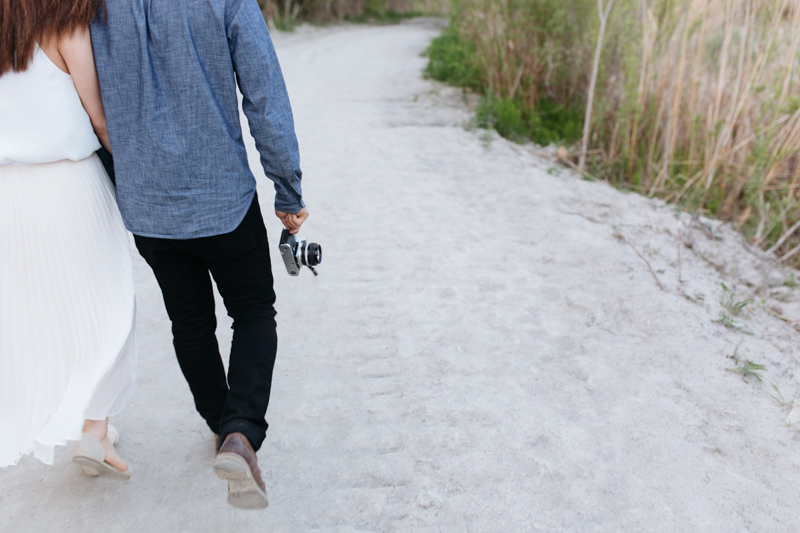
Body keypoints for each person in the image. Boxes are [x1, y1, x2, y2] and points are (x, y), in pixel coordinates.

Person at [91, 0, 309, 508]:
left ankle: (221, 423)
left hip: (147, 205)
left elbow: (83, 100)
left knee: (189, 321)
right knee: (253, 310)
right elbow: (265, 96)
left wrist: (117, 178)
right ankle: (240, 432)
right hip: (222, 198)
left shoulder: (94, 8)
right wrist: (288, 189)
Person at [0, 0, 136, 478]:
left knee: (42, 314)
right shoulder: (64, 24)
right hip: (68, 185)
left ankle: (74, 421)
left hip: (9, 194)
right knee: (110, 302)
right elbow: (97, 114)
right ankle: (94, 429)